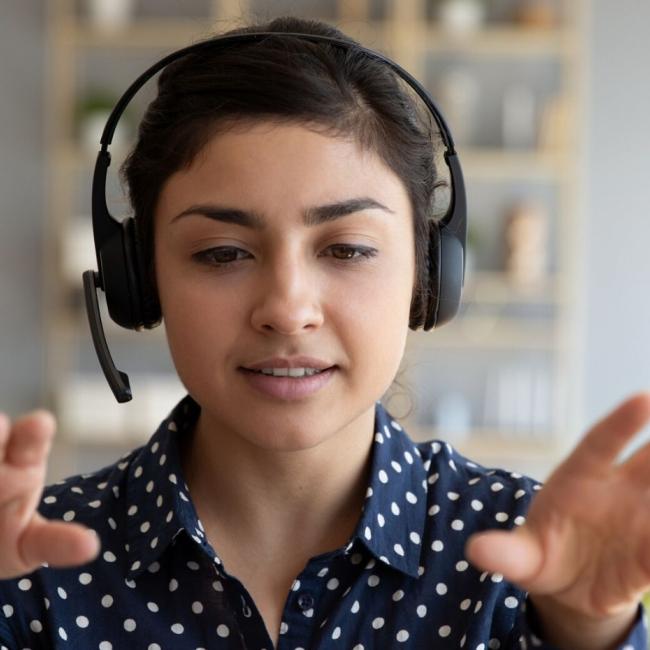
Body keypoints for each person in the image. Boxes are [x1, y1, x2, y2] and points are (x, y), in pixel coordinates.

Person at [1, 14, 649, 650]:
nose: (287, 309)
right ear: (140, 280)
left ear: (429, 274)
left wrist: (586, 633)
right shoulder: (30, 562)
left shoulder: (527, 556)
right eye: (223, 252)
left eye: (346, 249)